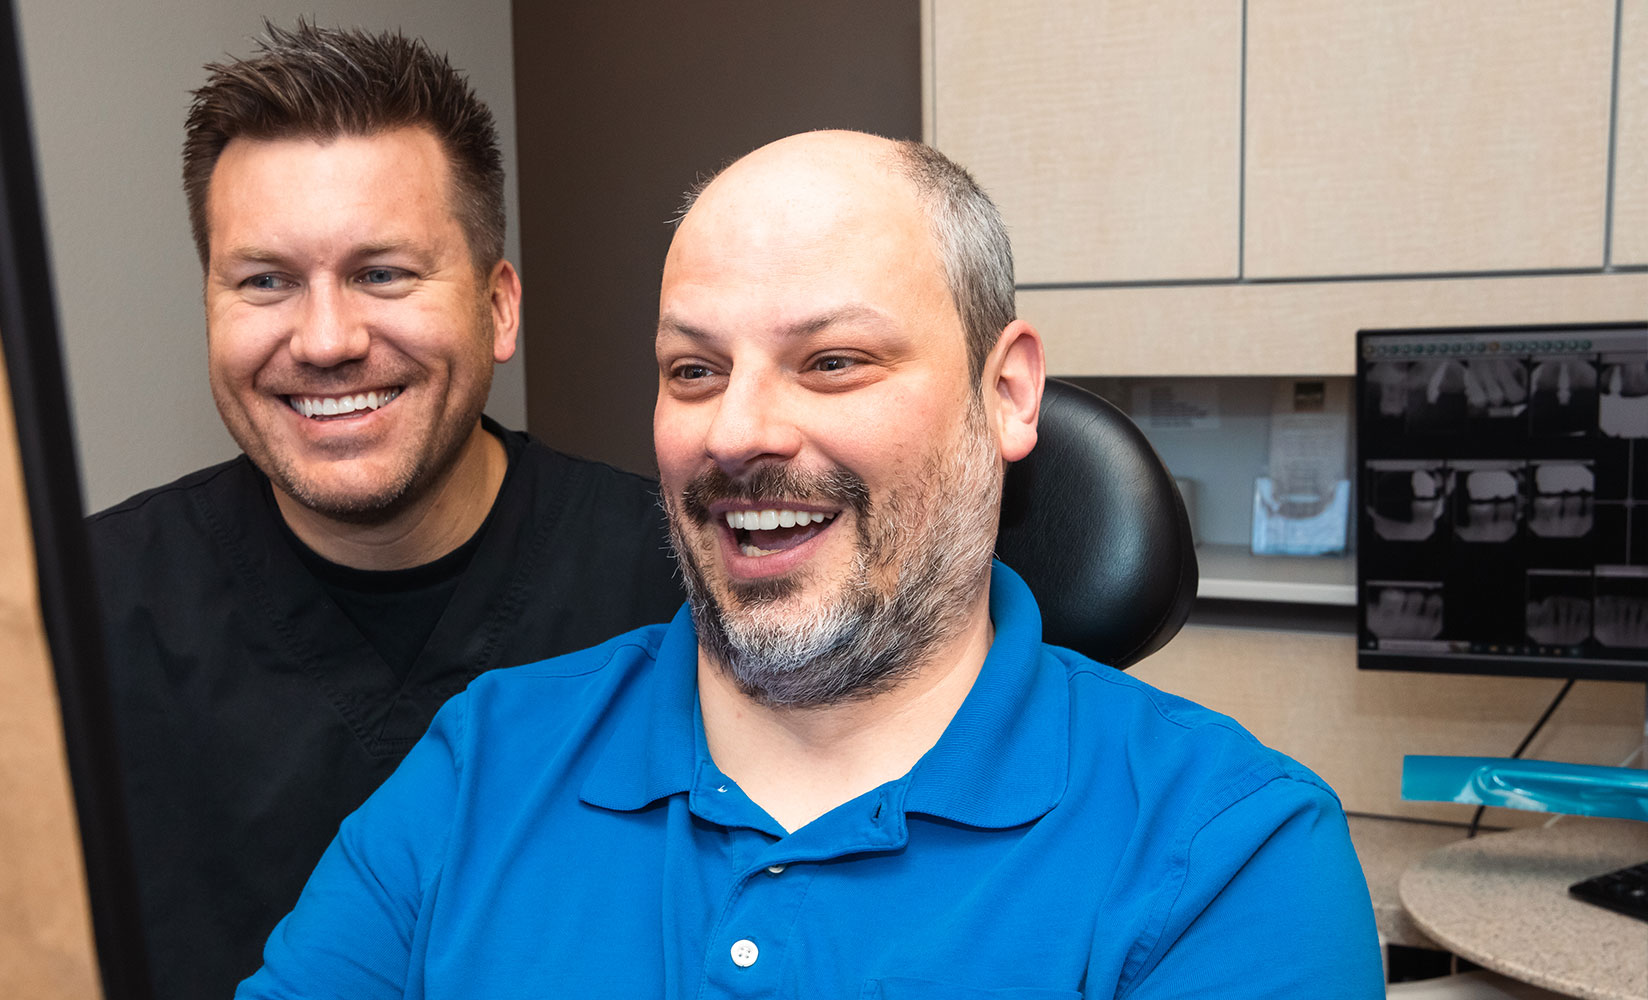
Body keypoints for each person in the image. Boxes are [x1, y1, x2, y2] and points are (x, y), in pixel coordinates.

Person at [236, 130, 1383, 998]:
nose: (734, 431)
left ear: (1007, 393)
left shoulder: (1226, 854)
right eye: (692, 370)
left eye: (830, 361)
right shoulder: (479, 769)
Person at [85, 22, 685, 1000]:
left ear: (497, 309)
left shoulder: (679, 591)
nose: (325, 340)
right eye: (264, 282)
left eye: (382, 273)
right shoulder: (78, 621)